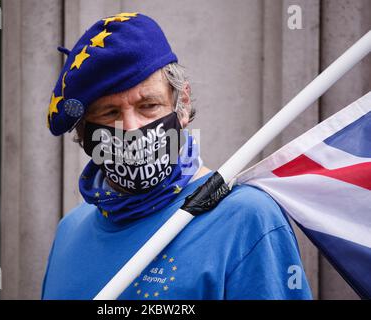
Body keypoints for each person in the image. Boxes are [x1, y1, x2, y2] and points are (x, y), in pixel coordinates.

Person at [42, 12, 312, 300]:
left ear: (181, 104)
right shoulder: (69, 232)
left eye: (149, 105)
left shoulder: (247, 219)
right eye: (110, 113)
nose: (132, 128)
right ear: (84, 132)